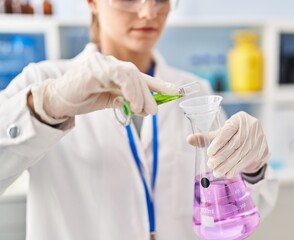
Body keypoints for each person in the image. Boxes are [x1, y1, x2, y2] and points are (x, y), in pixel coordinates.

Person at [0, 0, 278, 239]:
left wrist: (252, 169)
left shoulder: (196, 91)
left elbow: (241, 213)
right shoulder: (43, 82)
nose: (148, 12)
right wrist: (47, 105)